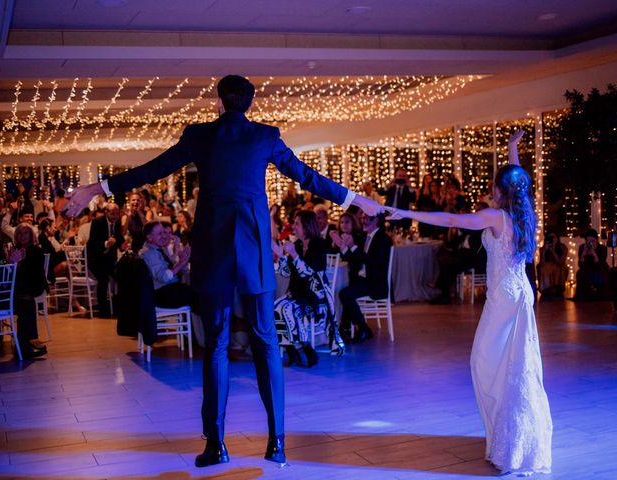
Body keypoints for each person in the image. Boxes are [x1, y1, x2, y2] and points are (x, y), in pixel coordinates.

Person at [63, 74, 382, 468]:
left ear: (219, 102)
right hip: (253, 255)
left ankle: (215, 445)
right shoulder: (266, 136)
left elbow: (153, 169)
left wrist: (97, 189)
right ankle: (277, 444)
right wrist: (357, 199)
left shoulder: (199, 135)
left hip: (213, 255)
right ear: (249, 104)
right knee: (267, 343)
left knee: (215, 346)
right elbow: (307, 177)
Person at [386, 130, 552, 475]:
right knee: (514, 365)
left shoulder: (494, 217)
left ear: (499, 190)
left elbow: (450, 220)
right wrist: (511, 149)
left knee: (486, 363)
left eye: (494, 184)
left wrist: (404, 212)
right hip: (520, 292)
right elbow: (518, 181)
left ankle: (509, 441)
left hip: (504, 297)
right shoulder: (524, 214)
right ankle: (511, 439)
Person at [272, 210, 337, 368]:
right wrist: (281, 256)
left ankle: (308, 351)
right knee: (273, 308)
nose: (293, 226)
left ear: (307, 226)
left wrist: (294, 255)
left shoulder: (319, 245)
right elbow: (286, 272)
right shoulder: (299, 245)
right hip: (298, 293)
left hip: (315, 295)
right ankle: (292, 351)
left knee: (287, 309)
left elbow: (309, 274)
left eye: (297, 224)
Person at [337, 212, 393, 343]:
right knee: (345, 288)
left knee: (345, 294)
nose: (363, 221)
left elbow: (373, 263)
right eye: (362, 218)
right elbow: (356, 261)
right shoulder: (366, 236)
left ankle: (363, 328)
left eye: (367, 218)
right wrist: (343, 247)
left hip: (375, 283)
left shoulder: (383, 239)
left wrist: (352, 246)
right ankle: (345, 327)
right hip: (364, 280)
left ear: (376, 220)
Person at [11, 223, 49, 358]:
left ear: (31, 235)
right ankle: (25, 345)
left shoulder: (36, 250)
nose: (22, 236)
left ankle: (26, 344)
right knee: (24, 302)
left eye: (25, 233)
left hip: (34, 284)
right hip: (21, 286)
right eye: (20, 233)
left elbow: (32, 273)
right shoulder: (14, 249)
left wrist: (18, 262)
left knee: (25, 298)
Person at [140, 221, 193, 309]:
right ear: (149, 238)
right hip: (162, 294)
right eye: (160, 233)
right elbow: (164, 277)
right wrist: (181, 263)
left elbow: (175, 269)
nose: (164, 236)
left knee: (201, 291)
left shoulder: (159, 249)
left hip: (171, 289)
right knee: (201, 294)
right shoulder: (148, 253)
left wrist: (182, 259)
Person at [86, 203, 125, 317]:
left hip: (108, 259)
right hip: (95, 258)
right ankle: (103, 310)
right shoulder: (97, 222)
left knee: (121, 275)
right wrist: (105, 243)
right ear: (106, 212)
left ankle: (118, 305)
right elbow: (92, 242)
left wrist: (122, 244)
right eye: (112, 213)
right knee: (103, 279)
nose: (115, 216)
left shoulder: (117, 222)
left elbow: (118, 237)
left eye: (117, 214)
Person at [573, 228, 609, 301]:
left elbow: (600, 264)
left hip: (599, 268)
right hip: (587, 268)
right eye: (588, 241)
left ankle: (601, 295)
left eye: (593, 241)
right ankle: (582, 296)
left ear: (597, 240)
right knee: (579, 273)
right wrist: (583, 254)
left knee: (601, 274)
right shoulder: (582, 247)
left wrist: (593, 253)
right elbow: (580, 265)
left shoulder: (602, 248)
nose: (590, 243)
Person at [537, 230, 568, 298]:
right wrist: (545, 251)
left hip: (559, 266)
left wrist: (553, 251)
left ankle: (558, 287)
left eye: (553, 237)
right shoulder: (543, 248)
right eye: (550, 238)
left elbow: (560, 263)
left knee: (562, 267)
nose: (552, 239)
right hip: (547, 267)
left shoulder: (562, 247)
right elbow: (541, 264)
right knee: (544, 268)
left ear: (557, 238)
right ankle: (546, 288)